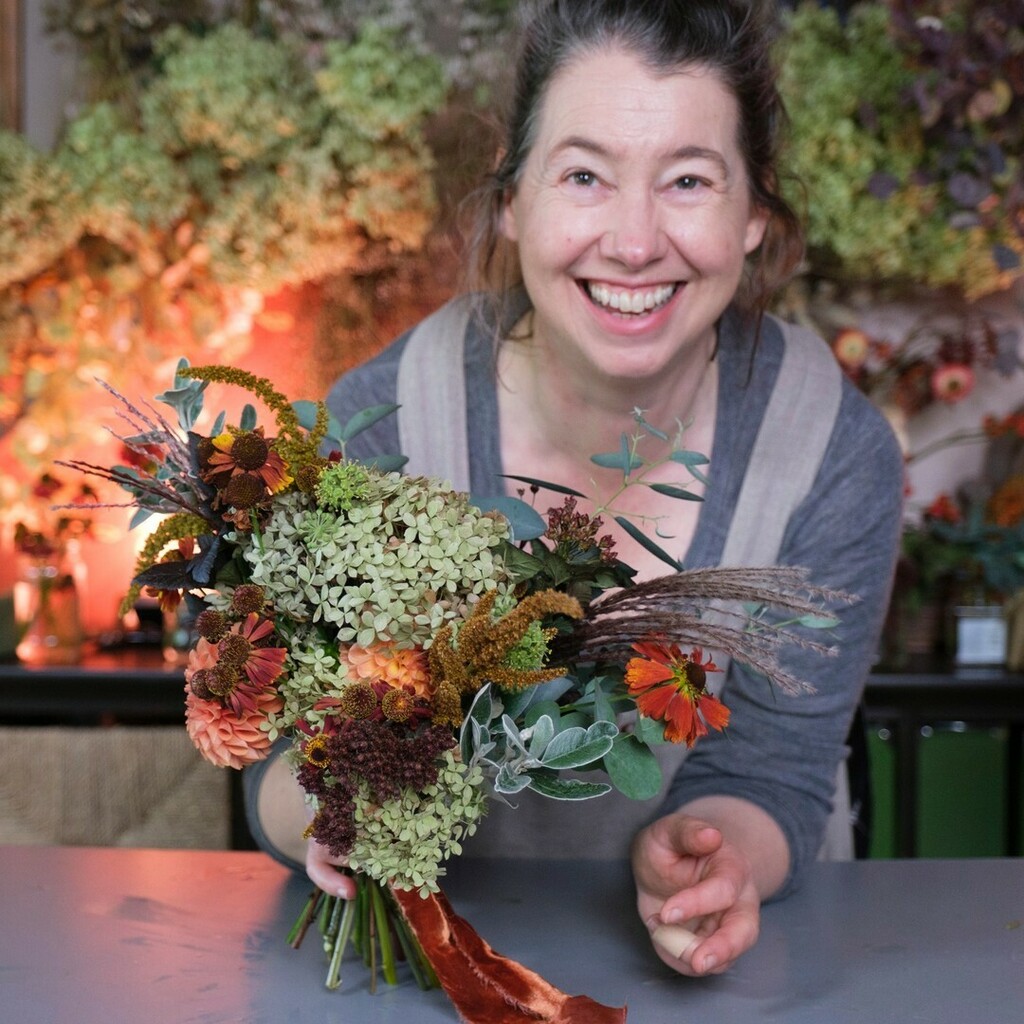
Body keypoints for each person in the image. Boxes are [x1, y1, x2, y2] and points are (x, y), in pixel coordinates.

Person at [247, 0, 903, 980]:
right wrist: (342, 801)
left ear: (754, 215)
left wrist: (703, 862)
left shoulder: (829, 452)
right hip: (416, 976)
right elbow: (273, 765)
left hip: (724, 987)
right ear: (513, 201)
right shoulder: (386, 420)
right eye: (585, 176)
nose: (634, 244)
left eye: (688, 179)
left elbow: (774, 773)